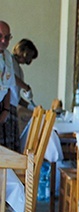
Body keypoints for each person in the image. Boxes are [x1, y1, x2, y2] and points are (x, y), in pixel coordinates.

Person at [0, 20, 19, 152]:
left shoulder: (7, 56)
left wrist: (6, 110)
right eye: (0, 36)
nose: (3, 41)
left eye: (7, 37)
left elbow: (8, 86)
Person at [12, 38, 38, 108]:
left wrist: (31, 107)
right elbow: (10, 77)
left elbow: (16, 98)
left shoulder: (19, 70)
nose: (29, 59)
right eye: (29, 56)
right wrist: (26, 88)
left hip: (12, 108)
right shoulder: (8, 60)